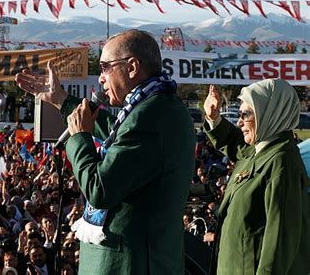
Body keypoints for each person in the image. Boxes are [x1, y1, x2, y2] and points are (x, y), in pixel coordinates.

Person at [15, 29, 196, 274]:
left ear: (132, 67)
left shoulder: (150, 116)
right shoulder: (157, 105)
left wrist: (79, 138)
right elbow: (119, 132)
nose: (100, 78)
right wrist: (61, 100)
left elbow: (99, 189)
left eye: (105, 67)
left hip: (131, 264)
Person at [203, 79, 310, 274]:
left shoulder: (282, 162)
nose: (239, 121)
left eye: (246, 114)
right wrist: (214, 119)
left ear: (269, 112)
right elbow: (237, 145)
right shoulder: (261, 150)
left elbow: (279, 244)